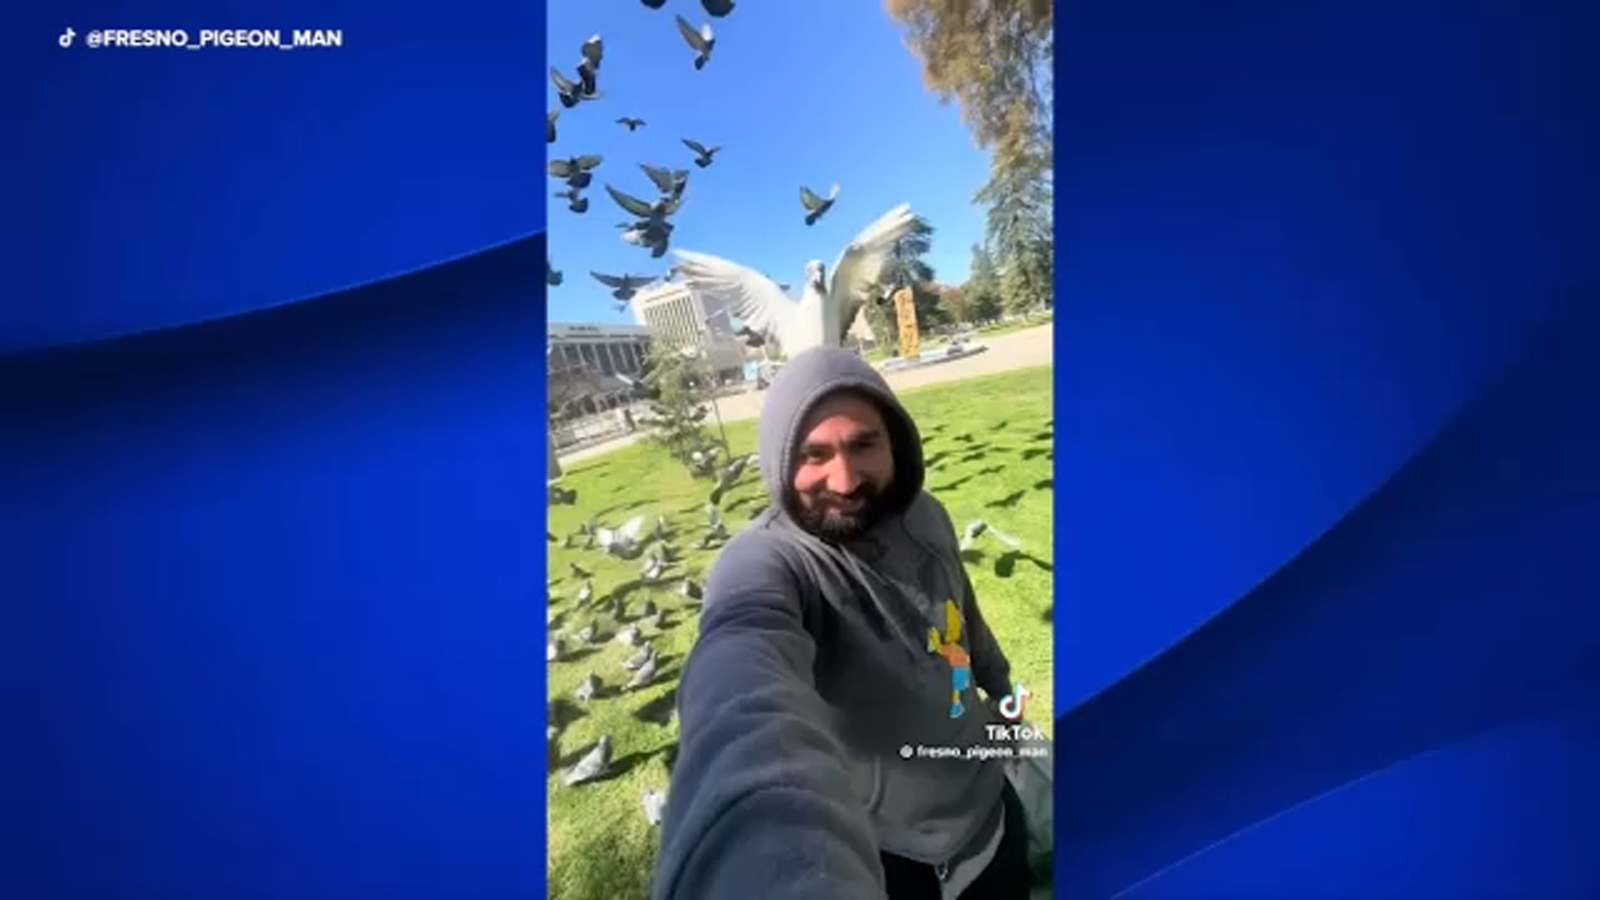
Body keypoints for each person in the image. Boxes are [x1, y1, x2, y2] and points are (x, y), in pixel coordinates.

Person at [654, 347, 1031, 899]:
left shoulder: (926, 514)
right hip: (896, 863)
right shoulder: (768, 562)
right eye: (815, 454)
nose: (846, 480)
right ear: (779, 460)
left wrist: (1003, 706)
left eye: (862, 445)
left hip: (993, 817)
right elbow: (740, 684)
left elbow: (966, 626)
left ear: (894, 443)